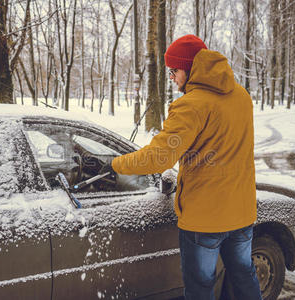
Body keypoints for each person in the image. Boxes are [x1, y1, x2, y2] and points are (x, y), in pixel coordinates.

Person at [101, 34, 262, 300]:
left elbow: (158, 158)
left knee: (200, 287)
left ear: (190, 68)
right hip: (242, 212)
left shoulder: (191, 105)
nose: (173, 77)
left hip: (205, 220)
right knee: (244, 275)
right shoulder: (241, 96)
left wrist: (116, 163)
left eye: (174, 71)